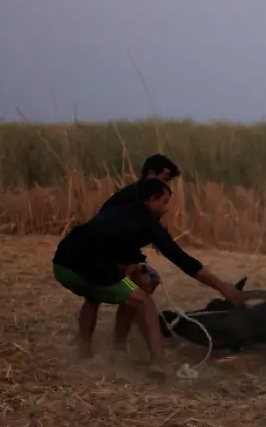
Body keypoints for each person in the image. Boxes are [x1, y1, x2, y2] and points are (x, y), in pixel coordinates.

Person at [52, 178, 245, 376]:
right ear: (152, 200)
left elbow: (106, 240)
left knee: (102, 290)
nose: (166, 209)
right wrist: (224, 288)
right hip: (90, 266)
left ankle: (85, 352)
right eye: (164, 202)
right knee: (143, 301)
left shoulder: (120, 207)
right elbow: (183, 260)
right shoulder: (149, 224)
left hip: (62, 266)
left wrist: (130, 267)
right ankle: (158, 363)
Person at [99, 153, 182, 294]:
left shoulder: (144, 200)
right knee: (143, 284)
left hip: (114, 252)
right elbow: (120, 237)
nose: (167, 185)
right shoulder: (133, 200)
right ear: (151, 175)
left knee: (146, 283)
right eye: (166, 179)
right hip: (105, 254)